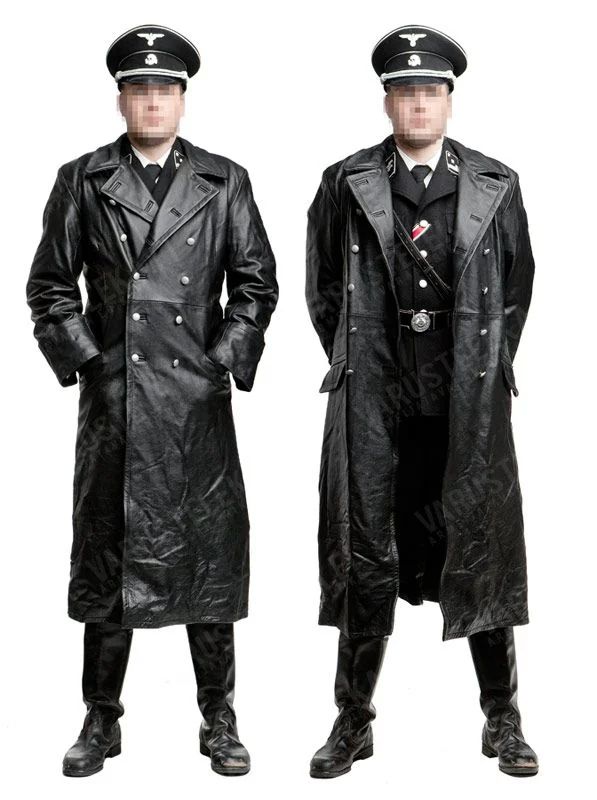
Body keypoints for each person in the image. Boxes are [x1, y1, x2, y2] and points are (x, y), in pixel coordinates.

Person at [26, 23, 278, 778]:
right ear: (121, 98)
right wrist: (95, 366)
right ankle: (100, 717)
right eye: (139, 89)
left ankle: (219, 717)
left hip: (195, 406)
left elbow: (255, 284)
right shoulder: (83, 178)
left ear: (182, 98)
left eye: (165, 88)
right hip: (118, 408)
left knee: (210, 560)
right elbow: (49, 287)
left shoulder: (224, 180)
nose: (152, 101)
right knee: (109, 558)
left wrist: (219, 362)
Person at [306, 24, 538, 778]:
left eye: (430, 91)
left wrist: (485, 364)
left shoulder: (495, 182)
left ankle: (502, 718)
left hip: (465, 407)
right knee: (365, 554)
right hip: (376, 405)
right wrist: (359, 361)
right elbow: (322, 291)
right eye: (405, 92)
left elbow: (516, 286)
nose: (417, 104)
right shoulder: (345, 182)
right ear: (386, 101)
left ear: (448, 100)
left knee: (481, 553)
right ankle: (352, 719)